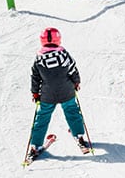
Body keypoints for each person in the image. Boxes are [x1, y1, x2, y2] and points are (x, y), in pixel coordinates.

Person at [28, 27, 88, 159]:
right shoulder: (63, 54)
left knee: (42, 117)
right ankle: (79, 135)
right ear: (58, 39)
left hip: (47, 94)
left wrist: (35, 93)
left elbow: (35, 77)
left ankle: (35, 144)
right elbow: (72, 69)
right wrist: (76, 82)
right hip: (66, 91)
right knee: (72, 111)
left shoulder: (39, 58)